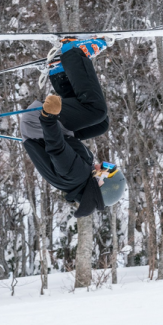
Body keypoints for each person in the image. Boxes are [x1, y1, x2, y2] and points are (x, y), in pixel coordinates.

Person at [20, 38, 126, 218]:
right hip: (48, 130)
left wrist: (48, 117)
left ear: (100, 183)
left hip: (40, 123)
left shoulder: (76, 175)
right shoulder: (81, 180)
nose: (101, 164)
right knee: (101, 125)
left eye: (105, 169)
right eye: (107, 166)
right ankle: (59, 70)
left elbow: (56, 148)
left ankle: (73, 53)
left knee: (96, 111)